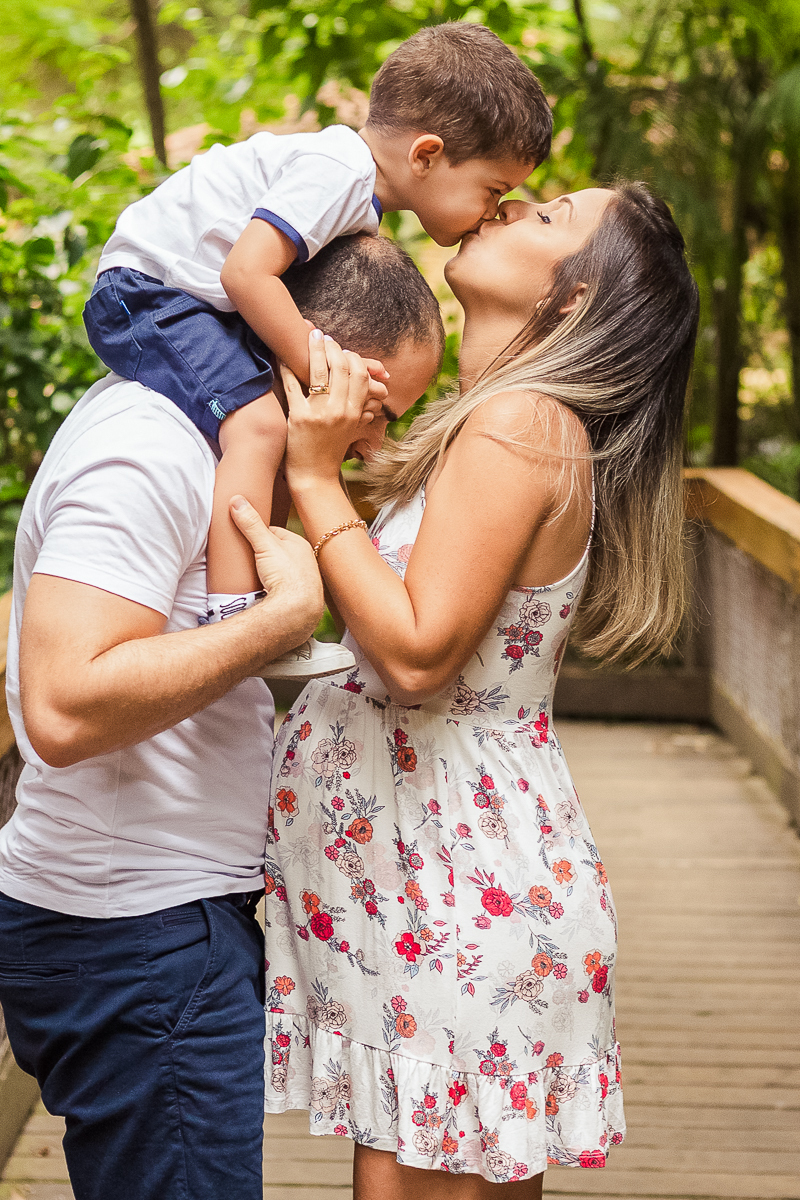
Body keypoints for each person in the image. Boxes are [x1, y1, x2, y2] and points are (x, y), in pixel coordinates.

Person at [262, 182, 700, 1197]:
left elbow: (417, 656)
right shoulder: (503, 424)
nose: (505, 209)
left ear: (572, 302)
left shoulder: (519, 424)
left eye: (545, 221)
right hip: (437, 881)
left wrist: (315, 477)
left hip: (452, 887)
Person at [0, 236, 443, 1200]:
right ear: (313, 359)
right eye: (379, 409)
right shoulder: (150, 446)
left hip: (159, 921)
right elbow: (65, 706)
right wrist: (282, 619)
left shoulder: (211, 444)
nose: (375, 444)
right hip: (135, 934)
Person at [82, 23, 552, 677]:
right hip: (147, 293)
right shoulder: (337, 173)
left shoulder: (355, 195)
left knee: (275, 437)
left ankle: (260, 599)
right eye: (492, 191)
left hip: (181, 298)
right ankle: (239, 618)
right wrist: (325, 375)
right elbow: (245, 274)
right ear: (425, 155)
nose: (490, 213)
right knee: (260, 423)